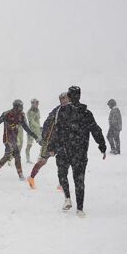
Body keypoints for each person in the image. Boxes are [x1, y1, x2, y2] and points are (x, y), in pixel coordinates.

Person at [47, 86, 106, 217]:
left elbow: (57, 131)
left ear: (69, 96)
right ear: (79, 96)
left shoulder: (62, 111)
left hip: (64, 150)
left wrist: (51, 147)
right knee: (79, 180)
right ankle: (80, 209)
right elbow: (96, 130)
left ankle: (67, 197)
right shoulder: (86, 113)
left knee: (62, 175)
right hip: (80, 152)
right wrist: (102, 145)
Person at [0, 100, 39, 181]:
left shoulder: (21, 115)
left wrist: (34, 136)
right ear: (16, 106)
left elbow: (26, 127)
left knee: (12, 155)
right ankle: (18, 174)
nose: (22, 108)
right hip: (7, 138)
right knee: (12, 155)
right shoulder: (6, 114)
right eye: (21, 106)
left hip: (14, 139)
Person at [28, 92, 69, 189]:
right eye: (61, 99)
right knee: (43, 161)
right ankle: (31, 177)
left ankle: (61, 184)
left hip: (62, 141)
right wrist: (46, 140)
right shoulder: (57, 111)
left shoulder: (71, 111)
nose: (63, 100)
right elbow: (47, 124)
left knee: (63, 162)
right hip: (50, 141)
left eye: (65, 98)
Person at [25, 99, 41, 164]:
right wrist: (38, 126)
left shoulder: (38, 110)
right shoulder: (29, 112)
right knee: (29, 145)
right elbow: (31, 121)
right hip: (31, 131)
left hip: (38, 131)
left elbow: (38, 119)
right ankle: (28, 159)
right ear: (32, 103)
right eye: (36, 103)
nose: (37, 104)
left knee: (43, 143)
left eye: (38, 103)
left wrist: (39, 127)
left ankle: (40, 157)